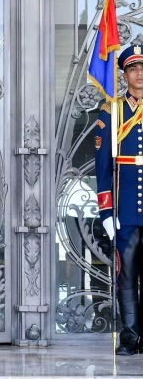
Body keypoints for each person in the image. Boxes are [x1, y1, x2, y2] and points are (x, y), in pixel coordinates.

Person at [95, 44, 143, 355]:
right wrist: (107, 211)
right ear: (124, 75)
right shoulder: (112, 111)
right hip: (125, 209)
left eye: (142, 69)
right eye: (133, 69)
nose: (139, 74)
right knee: (126, 276)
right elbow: (102, 166)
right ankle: (130, 336)